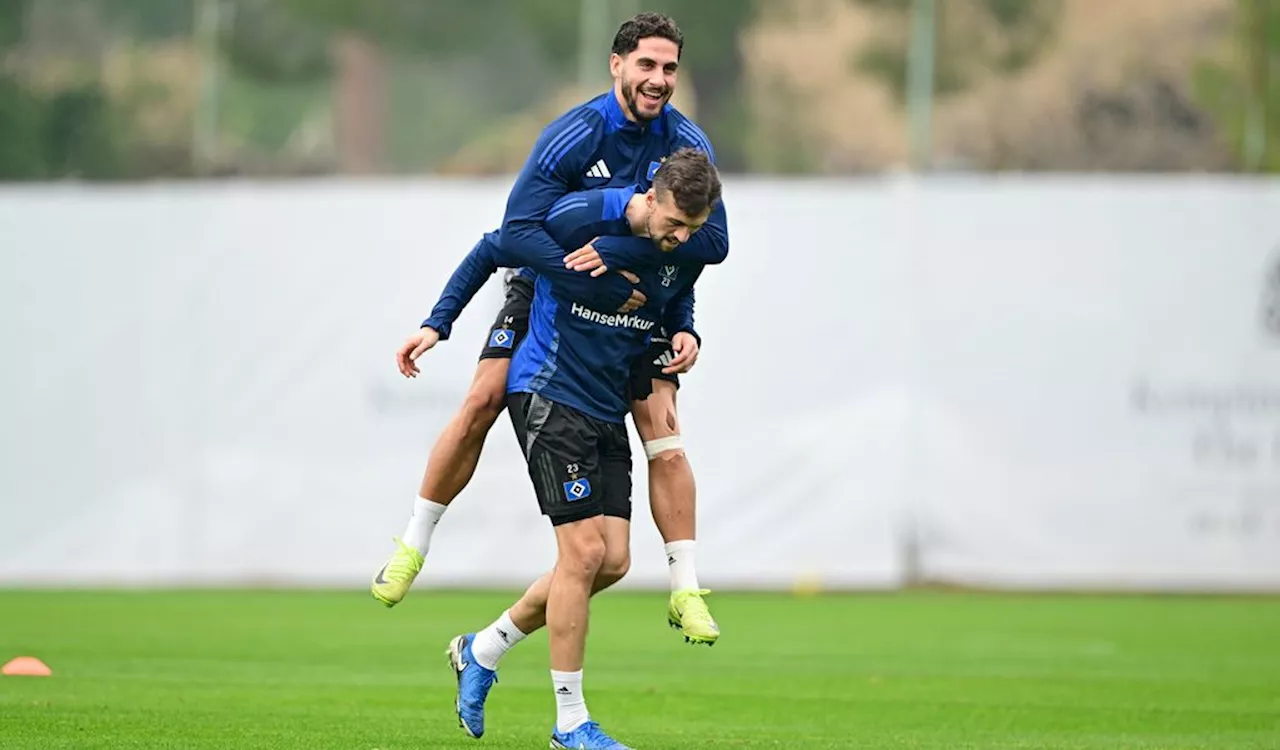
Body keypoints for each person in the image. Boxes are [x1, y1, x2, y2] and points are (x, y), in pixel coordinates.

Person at [371, 12, 725, 646]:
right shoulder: (574, 136)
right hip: (549, 283)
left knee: (664, 429)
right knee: (482, 398)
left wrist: (639, 279)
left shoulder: (686, 147)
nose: (658, 78)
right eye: (646, 64)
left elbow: (706, 242)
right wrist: (439, 322)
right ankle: (414, 542)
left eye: (669, 67)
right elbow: (512, 235)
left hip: (634, 298)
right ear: (617, 64)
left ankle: (686, 588)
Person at [447, 149, 723, 748]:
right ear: (651, 195)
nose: (679, 238)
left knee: (613, 560)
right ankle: (569, 723)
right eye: (673, 223)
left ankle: (483, 648)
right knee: (582, 552)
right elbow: (498, 246)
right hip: (549, 391)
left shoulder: (685, 246)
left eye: (691, 230)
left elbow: (676, 296)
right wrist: (435, 323)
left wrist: (685, 330)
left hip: (604, 406)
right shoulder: (578, 218)